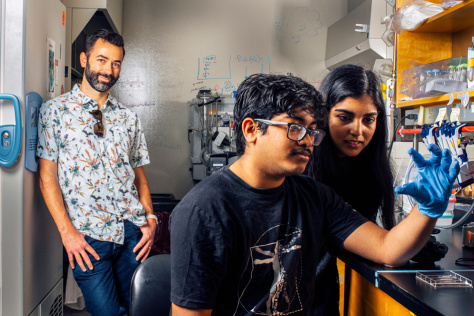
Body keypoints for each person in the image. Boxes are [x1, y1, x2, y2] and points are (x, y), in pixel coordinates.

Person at [170, 73, 460, 315]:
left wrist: (427, 209)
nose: (309, 141)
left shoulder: (314, 196)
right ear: (251, 130)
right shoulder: (204, 210)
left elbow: (388, 249)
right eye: (295, 128)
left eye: (312, 130)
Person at [37, 29, 156, 316]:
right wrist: (68, 234)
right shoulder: (54, 112)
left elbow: (138, 176)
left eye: (116, 63)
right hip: (87, 237)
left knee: (139, 309)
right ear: (84, 59)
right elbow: (46, 178)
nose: (108, 70)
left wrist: (150, 219)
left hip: (131, 232)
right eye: (102, 60)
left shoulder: (129, 118)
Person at [307, 64, 395, 315]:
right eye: (344, 117)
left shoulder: (369, 170)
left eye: (368, 119)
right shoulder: (302, 166)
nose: (358, 130)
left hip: (321, 291)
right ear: (324, 115)